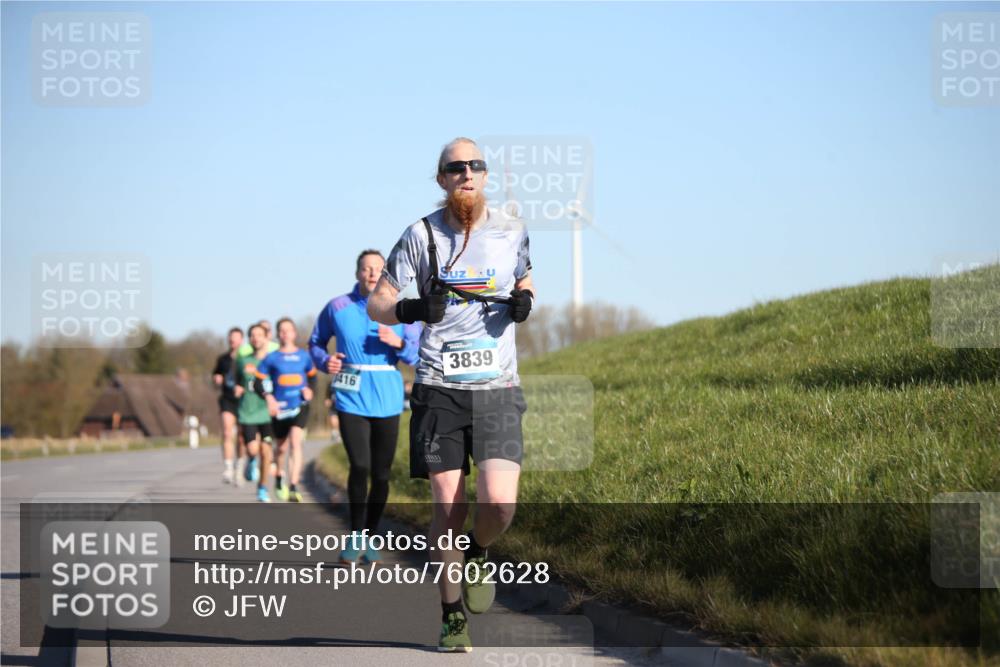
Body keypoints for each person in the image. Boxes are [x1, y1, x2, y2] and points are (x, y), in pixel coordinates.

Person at [367, 137, 534, 652]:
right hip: (439, 387)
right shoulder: (420, 235)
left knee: (500, 504)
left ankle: (479, 550)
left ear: (486, 176)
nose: (466, 173)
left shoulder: (512, 231)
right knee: (447, 502)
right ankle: (450, 613)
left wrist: (526, 299)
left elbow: (526, 276)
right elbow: (378, 303)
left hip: (498, 388)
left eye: (475, 165)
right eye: (455, 167)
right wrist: (412, 311)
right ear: (441, 179)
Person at [310, 249, 421, 564]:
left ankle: (372, 536)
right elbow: (315, 343)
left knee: (382, 474)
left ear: (386, 273)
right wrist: (324, 360)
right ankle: (355, 534)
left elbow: (418, 353)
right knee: (359, 466)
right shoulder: (338, 307)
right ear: (357, 272)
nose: (372, 273)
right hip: (350, 392)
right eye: (366, 268)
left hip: (387, 393)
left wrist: (398, 343)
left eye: (378, 268)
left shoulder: (400, 309)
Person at [257, 318, 316, 503]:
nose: (285, 334)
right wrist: (269, 398)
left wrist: (310, 389)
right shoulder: (271, 358)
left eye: (288, 330)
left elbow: (312, 377)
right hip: (279, 409)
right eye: (281, 331)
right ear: (277, 334)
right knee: (281, 449)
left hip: (299, 406)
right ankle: (279, 476)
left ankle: (293, 486)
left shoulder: (304, 356)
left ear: (294, 333)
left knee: (296, 443)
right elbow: (258, 381)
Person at [234, 323, 276, 502]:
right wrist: (236, 387)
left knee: (266, 453)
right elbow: (235, 380)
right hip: (249, 411)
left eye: (260, 334)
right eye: (252, 335)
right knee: (252, 449)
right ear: (249, 339)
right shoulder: (243, 361)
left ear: (267, 337)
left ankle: (263, 488)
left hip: (268, 412)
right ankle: (251, 460)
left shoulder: (274, 361)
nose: (256, 338)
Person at [212, 327, 243, 484]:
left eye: (236, 338)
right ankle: (228, 467)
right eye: (231, 338)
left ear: (241, 340)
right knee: (226, 432)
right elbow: (216, 374)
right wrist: (216, 378)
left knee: (241, 437)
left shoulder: (246, 358)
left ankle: (239, 465)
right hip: (227, 399)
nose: (233, 341)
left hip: (243, 401)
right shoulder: (222, 359)